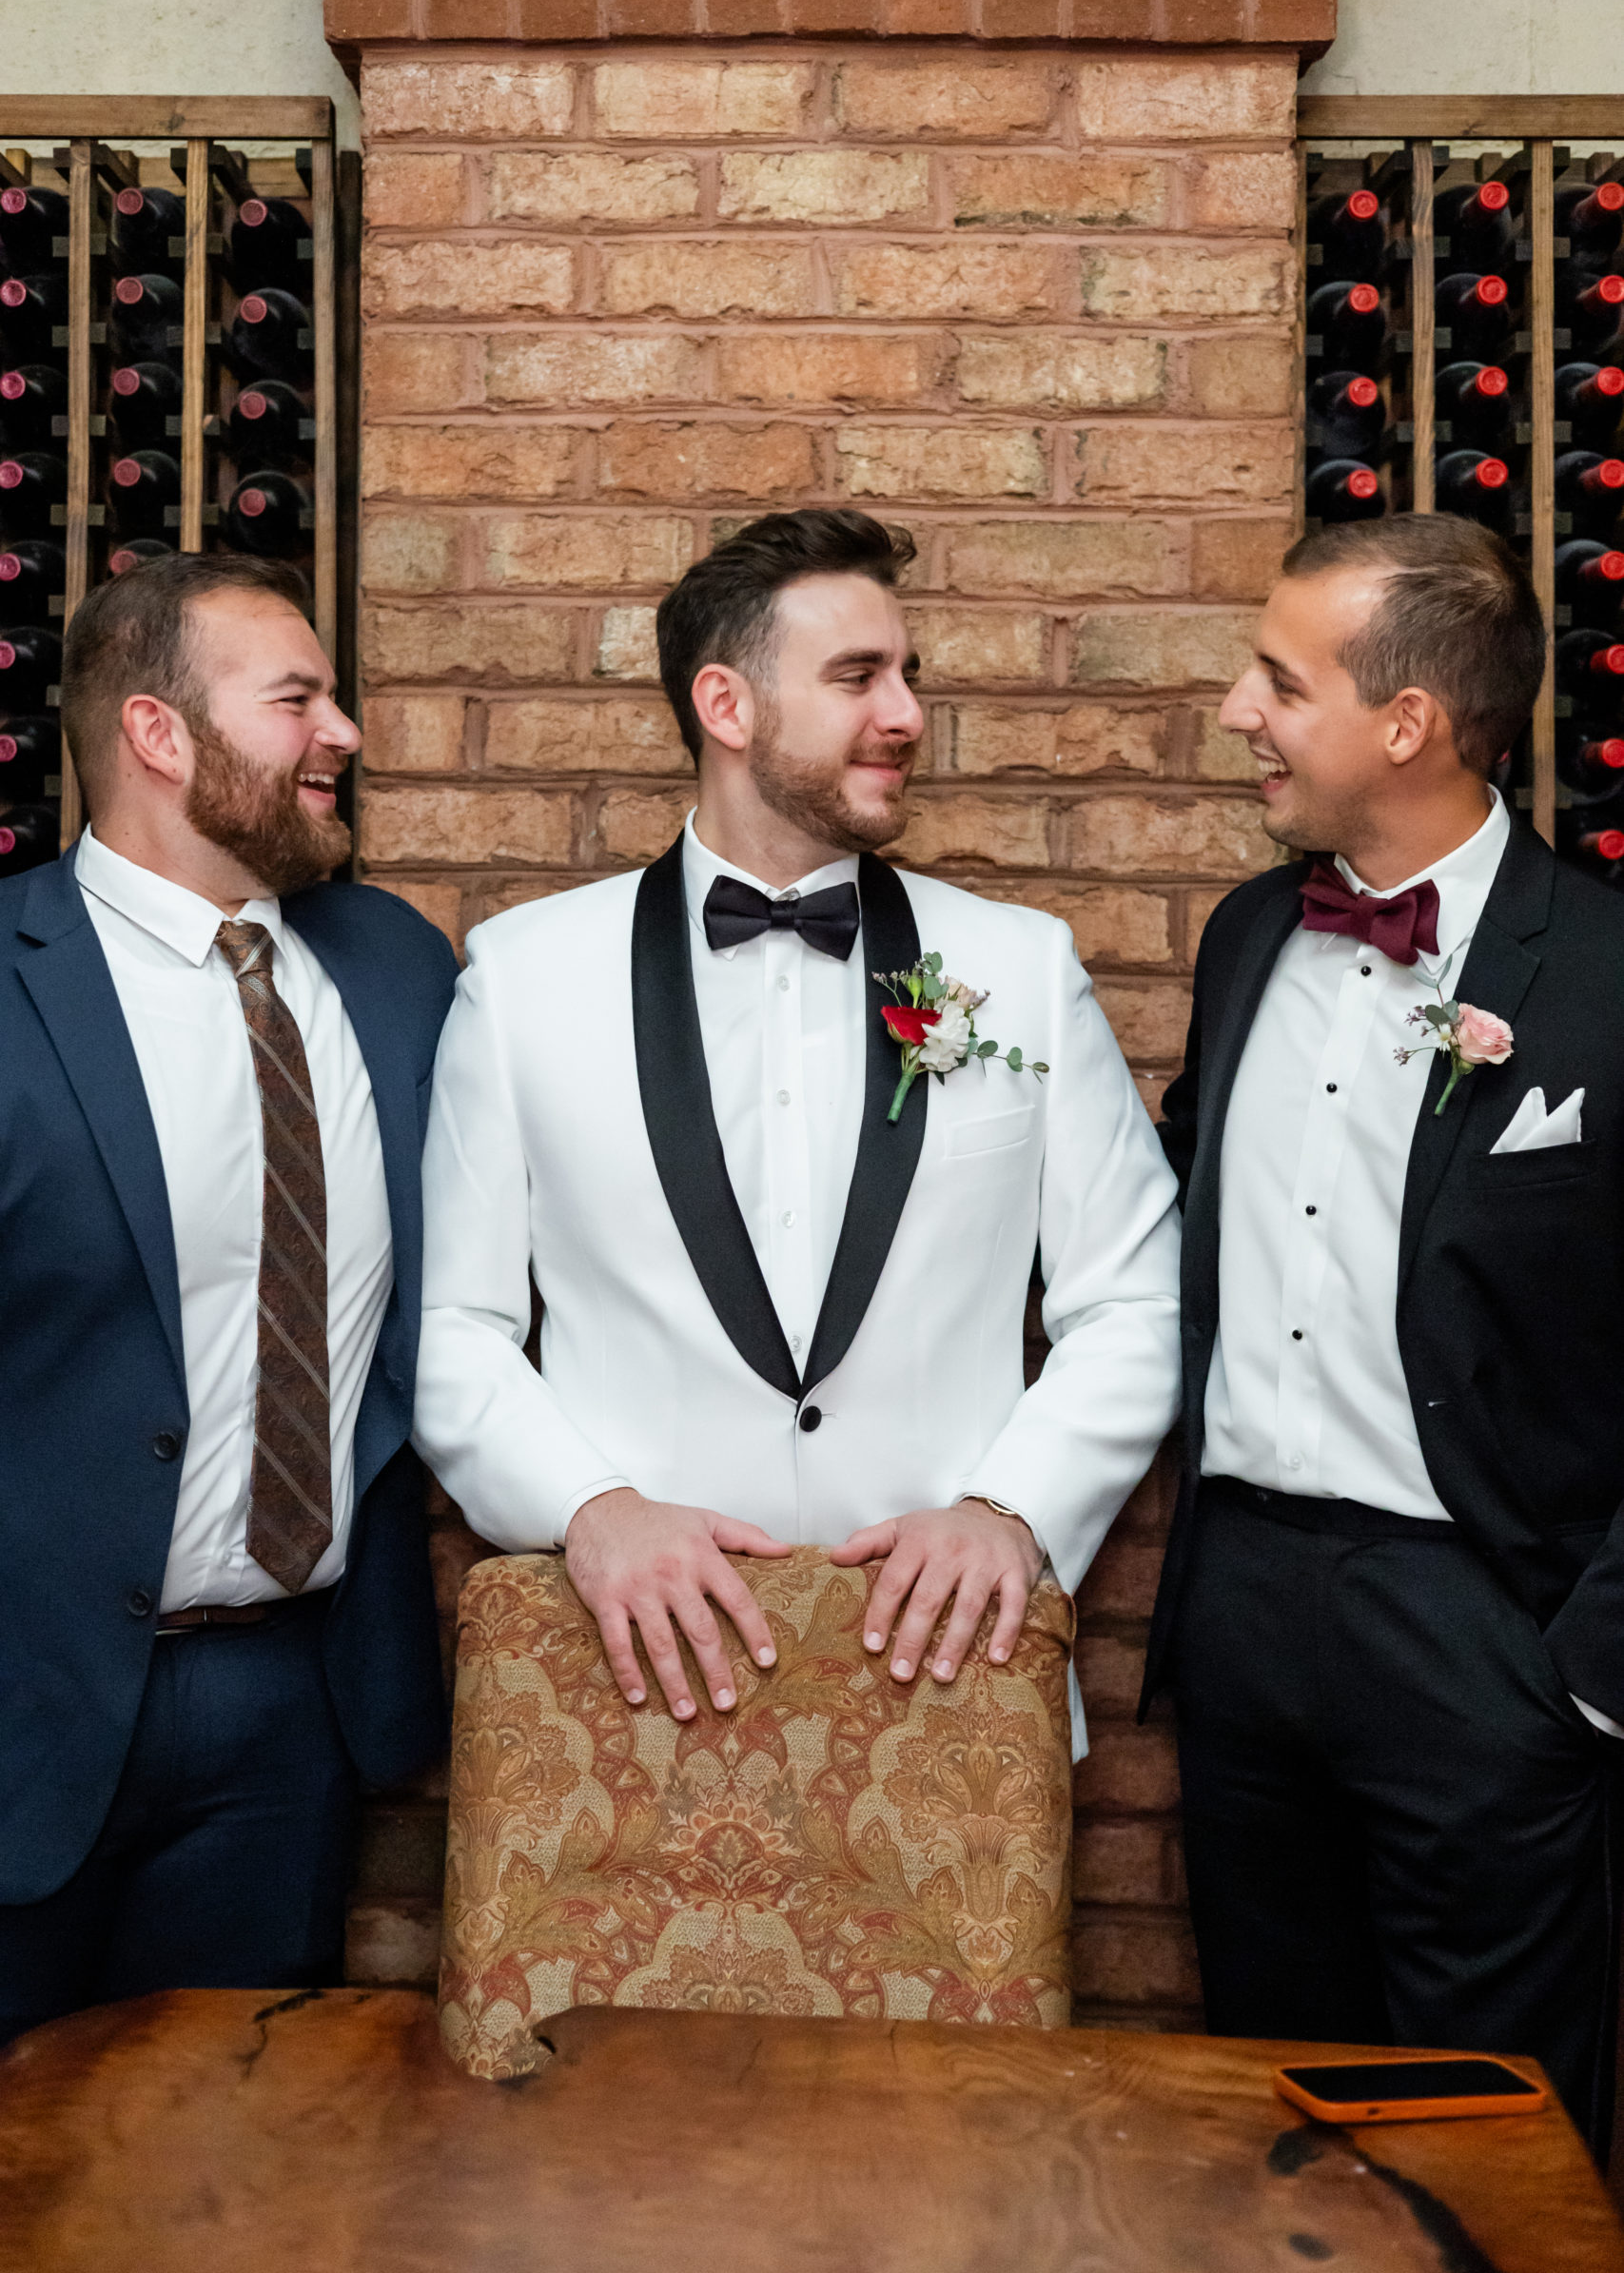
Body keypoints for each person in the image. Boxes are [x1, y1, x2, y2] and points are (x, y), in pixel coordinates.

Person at [414, 509, 1180, 1745]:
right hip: (628, 1693)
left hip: (949, 1685)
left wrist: (1012, 1510)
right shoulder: (523, 980)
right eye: (856, 678)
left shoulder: (1018, 971)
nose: (907, 715)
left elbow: (1139, 1300)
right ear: (728, 705)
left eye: (909, 676)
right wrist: (590, 1511)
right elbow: (454, 1324)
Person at [1142, 511, 1624, 2151]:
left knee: (1494, 2151)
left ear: (1404, 722)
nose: (1238, 711)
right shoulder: (1248, 941)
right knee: (1274, 2113)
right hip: (1247, 1622)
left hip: (1480, 1635)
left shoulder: (1611, 975)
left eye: (1281, 680)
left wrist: (1587, 1679)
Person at [0, 553, 458, 2043]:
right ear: (160, 735)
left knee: (226, 2195)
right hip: (31, 1705)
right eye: (299, 701)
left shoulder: (392, 967)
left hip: (291, 1711)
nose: (345, 735)